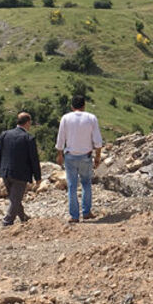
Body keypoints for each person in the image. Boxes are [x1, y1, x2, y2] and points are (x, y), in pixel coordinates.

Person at [55, 95, 103, 223]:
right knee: (86, 183)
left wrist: (59, 154)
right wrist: (98, 157)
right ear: (84, 106)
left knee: (72, 186)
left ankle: (74, 216)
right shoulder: (91, 118)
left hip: (70, 156)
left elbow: (60, 139)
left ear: (72, 106)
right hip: (86, 156)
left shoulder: (65, 118)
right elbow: (98, 141)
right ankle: (86, 212)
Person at [0, 112, 41, 227]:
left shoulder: (5, 134)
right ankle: (7, 221)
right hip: (20, 174)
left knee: (14, 197)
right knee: (15, 199)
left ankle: (23, 217)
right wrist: (38, 177)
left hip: (5, 172)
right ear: (28, 122)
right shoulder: (29, 138)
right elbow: (34, 159)